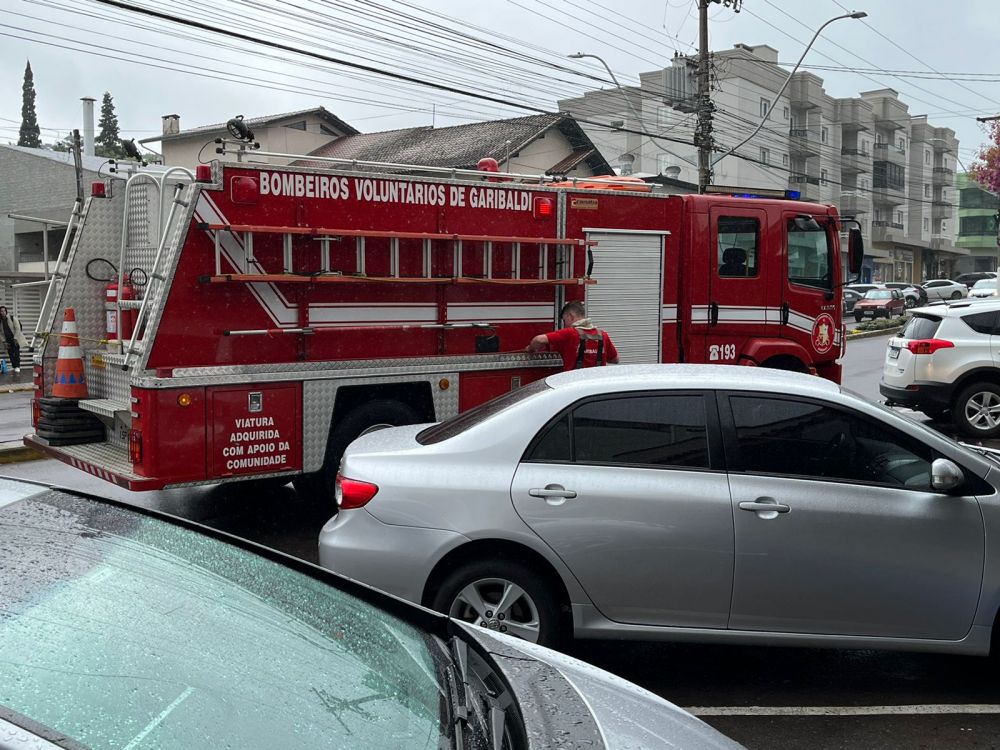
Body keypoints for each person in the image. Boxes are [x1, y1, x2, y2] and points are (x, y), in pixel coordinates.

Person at [525, 301, 619, 371]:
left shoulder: (570, 333)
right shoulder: (603, 335)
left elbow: (539, 340)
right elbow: (615, 360)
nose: (564, 324)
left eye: (565, 320)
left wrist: (531, 349)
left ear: (570, 316)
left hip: (574, 386)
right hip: (595, 387)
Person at [0, 307, 29, 373]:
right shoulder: (0, 321)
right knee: (10, 354)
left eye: (4, 311)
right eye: (1, 311)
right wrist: (4, 341)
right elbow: (0, 333)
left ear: (6, 311)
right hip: (7, 340)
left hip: (15, 338)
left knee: (16, 353)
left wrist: (15, 338)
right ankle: (14, 366)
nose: (3, 312)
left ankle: (17, 366)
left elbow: (18, 329)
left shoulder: (12, 318)